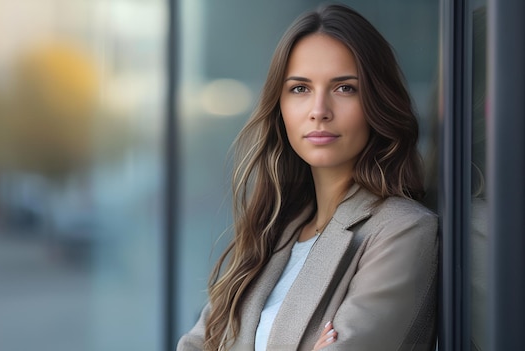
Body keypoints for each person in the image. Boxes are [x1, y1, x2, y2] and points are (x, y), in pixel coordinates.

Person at [177, 4, 438, 351]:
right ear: (280, 105)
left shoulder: (403, 231)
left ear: (377, 101)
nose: (319, 111)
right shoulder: (274, 231)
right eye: (300, 88)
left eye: (345, 88)